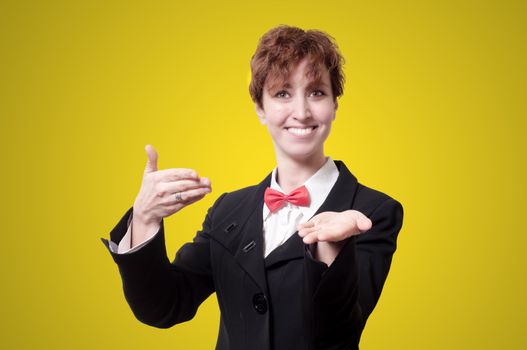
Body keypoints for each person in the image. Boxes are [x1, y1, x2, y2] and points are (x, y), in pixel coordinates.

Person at [101, 25, 404, 350]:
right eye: (282, 93)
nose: (301, 113)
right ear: (260, 108)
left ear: (334, 105)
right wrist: (144, 218)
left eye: (317, 92)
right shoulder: (228, 210)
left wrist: (331, 248)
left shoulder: (374, 211)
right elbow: (165, 306)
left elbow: (337, 334)